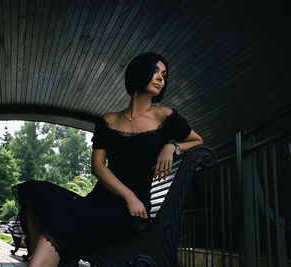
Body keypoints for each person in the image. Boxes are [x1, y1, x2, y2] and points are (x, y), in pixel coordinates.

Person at [13, 52, 203, 266]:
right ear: (140, 73)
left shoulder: (165, 116)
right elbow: (97, 166)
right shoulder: (108, 120)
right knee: (35, 191)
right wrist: (128, 196)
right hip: (99, 202)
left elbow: (198, 141)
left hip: (131, 213)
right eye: (155, 71)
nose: (161, 78)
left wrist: (172, 147)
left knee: (62, 221)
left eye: (164, 74)